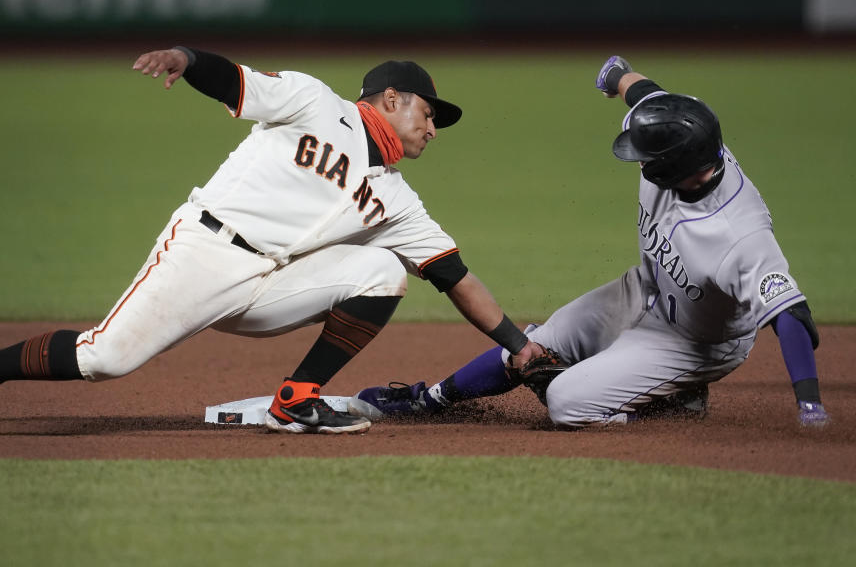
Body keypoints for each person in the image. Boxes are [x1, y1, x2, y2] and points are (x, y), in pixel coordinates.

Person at [0, 47, 545, 436]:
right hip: (208, 249)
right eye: (428, 114)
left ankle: (296, 400)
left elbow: (456, 276)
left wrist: (520, 347)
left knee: (384, 271)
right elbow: (236, 82)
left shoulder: (400, 201)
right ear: (389, 97)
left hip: (271, 286)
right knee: (103, 359)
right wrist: (188, 58)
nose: (433, 128)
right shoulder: (314, 102)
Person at [350, 56, 830, 429]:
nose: (638, 161)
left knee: (566, 402)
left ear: (677, 166)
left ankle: (671, 405)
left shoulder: (741, 236)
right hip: (644, 288)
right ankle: (432, 399)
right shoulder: (680, 129)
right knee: (536, 345)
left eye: (647, 158)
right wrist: (617, 74)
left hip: (697, 341)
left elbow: (791, 316)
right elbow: (644, 94)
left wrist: (810, 405)